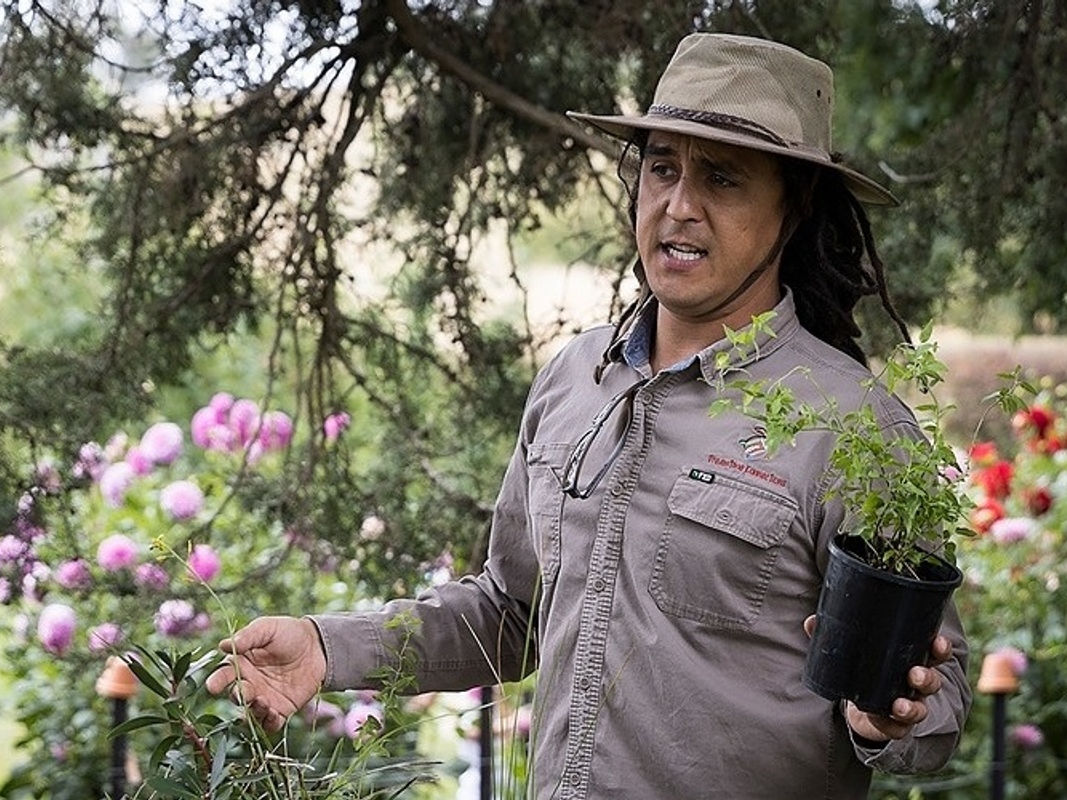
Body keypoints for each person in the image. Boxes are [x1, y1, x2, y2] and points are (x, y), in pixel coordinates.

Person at [206, 32, 969, 798]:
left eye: (724, 180)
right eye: (662, 167)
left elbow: (936, 710)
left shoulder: (854, 429)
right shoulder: (576, 379)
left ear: (795, 207)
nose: (679, 206)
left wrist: (887, 717)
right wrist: (325, 647)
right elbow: (511, 613)